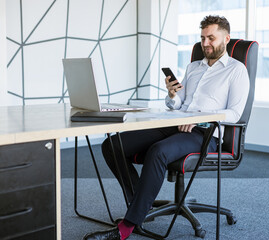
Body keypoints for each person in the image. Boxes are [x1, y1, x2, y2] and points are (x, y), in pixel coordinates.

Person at [83, 15, 249, 240]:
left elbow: (235, 113)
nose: (206, 43)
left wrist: (201, 119)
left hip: (205, 132)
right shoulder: (193, 67)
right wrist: (172, 94)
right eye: (202, 38)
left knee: (158, 151)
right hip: (176, 123)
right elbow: (179, 104)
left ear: (226, 38)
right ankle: (140, 205)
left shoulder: (236, 70)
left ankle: (128, 225)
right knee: (113, 145)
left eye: (211, 37)